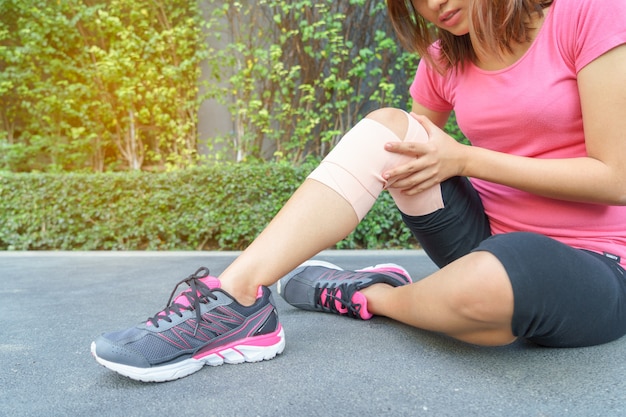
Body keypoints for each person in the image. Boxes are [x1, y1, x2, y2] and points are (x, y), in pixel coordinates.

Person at [91, 0, 626, 382]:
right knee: (393, 128)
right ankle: (238, 298)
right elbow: (411, 150)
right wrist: (424, 157)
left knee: (486, 288)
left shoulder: (588, 12)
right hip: (479, 236)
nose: (435, 5)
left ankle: (367, 295)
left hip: (597, 262)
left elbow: (616, 178)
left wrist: (464, 158)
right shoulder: (445, 55)